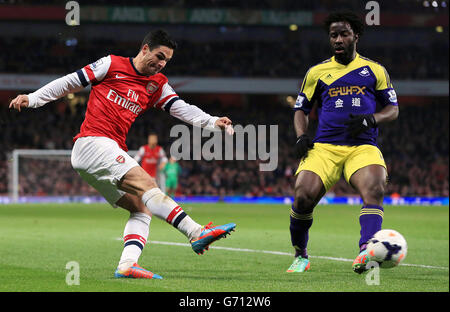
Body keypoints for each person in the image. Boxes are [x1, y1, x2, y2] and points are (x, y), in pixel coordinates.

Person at [9, 29, 236, 279]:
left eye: (166, 61)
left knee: (141, 207)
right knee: (148, 184)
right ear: (145, 48)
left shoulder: (157, 84)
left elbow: (181, 109)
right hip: (93, 142)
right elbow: (70, 82)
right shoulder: (111, 64)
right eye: (159, 56)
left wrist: (213, 121)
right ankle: (195, 232)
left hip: (102, 152)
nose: (161, 64)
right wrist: (33, 98)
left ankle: (127, 265)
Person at [287, 12, 399, 274]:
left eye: (343, 34)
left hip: (362, 147)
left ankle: (366, 250)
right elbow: (301, 109)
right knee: (303, 197)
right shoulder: (316, 72)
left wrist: (371, 119)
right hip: (324, 147)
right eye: (333, 35)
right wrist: (302, 135)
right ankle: (300, 254)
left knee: (375, 188)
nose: (338, 39)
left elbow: (393, 109)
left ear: (355, 36)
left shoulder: (375, 70)